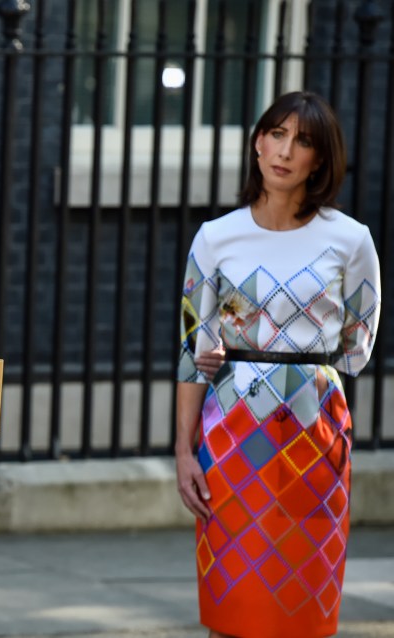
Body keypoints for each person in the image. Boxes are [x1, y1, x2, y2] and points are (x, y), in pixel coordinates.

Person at [174, 91, 380, 638]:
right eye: (276, 134)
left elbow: (360, 339)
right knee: (234, 590)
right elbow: (193, 350)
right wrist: (182, 449)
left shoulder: (351, 239)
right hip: (231, 428)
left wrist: (305, 370)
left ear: (321, 159)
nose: (285, 150)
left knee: (304, 590)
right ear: (257, 143)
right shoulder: (215, 237)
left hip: (316, 425)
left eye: (304, 141)